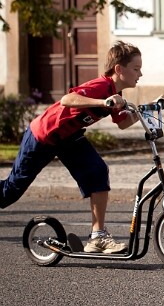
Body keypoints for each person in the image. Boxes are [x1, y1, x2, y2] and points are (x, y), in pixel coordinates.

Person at [1, 41, 153, 254]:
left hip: (69, 138)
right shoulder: (101, 87)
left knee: (98, 171)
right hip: (43, 135)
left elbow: (123, 123)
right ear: (119, 69)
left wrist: (148, 109)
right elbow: (67, 99)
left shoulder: (115, 94)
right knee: (9, 192)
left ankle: (97, 237)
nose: (140, 74)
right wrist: (103, 103)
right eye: (136, 69)